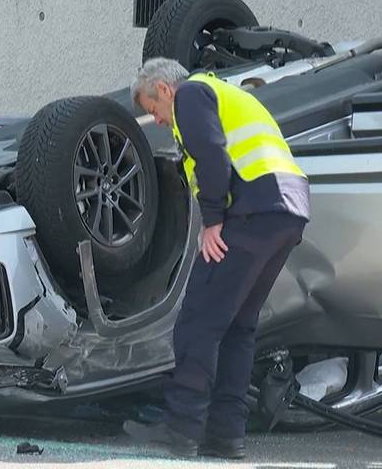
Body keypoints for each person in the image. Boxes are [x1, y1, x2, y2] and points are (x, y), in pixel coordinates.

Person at [124, 57, 310, 459]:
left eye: (153, 109)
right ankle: (226, 436)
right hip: (287, 211)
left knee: (198, 320)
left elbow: (212, 154)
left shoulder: (191, 94)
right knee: (239, 327)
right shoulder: (227, 94)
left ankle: (181, 429)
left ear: (166, 90)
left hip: (252, 212)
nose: (156, 120)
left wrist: (212, 220)